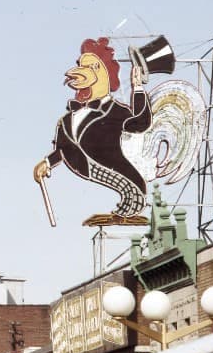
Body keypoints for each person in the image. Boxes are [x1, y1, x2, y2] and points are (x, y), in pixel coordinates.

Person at [34, 37, 157, 223]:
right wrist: (48, 163)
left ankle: (125, 212)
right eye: (84, 66)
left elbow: (140, 122)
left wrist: (138, 88)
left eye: (93, 67)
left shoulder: (115, 111)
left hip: (129, 183)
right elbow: (64, 149)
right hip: (91, 168)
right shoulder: (67, 120)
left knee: (132, 197)